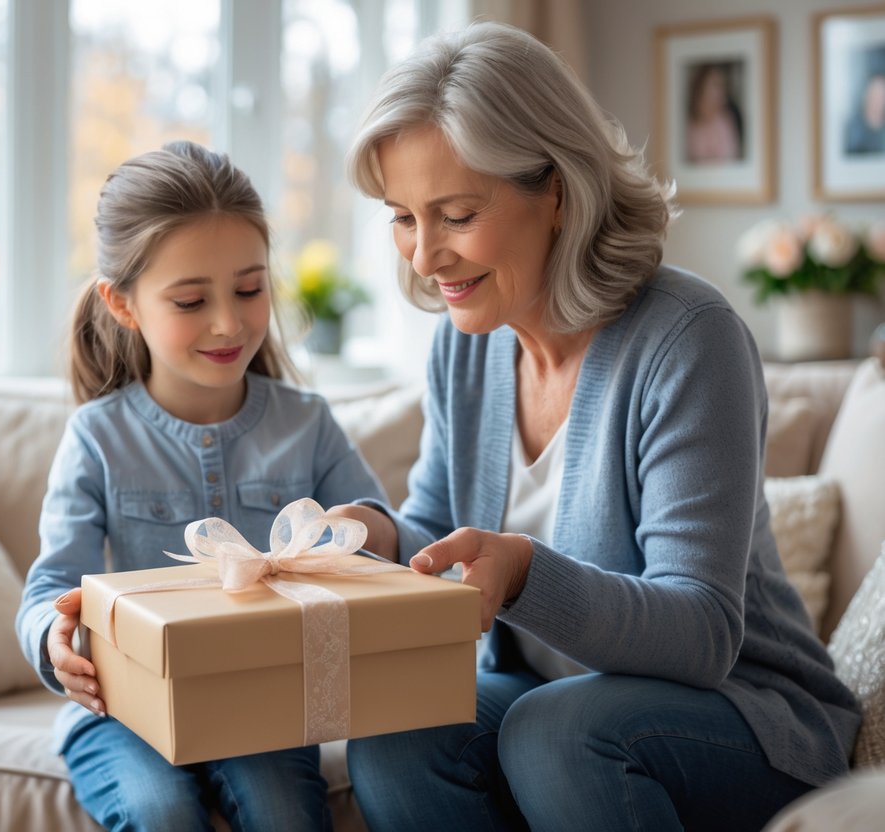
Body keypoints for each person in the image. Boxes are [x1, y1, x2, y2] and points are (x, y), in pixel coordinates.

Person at [328, 22, 861, 831]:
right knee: (395, 727)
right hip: (553, 702)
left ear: (557, 192)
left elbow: (702, 631)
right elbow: (439, 529)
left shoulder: (688, 338)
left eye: (456, 214)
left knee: (553, 731)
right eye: (403, 217)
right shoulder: (465, 345)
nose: (423, 257)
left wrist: (523, 574)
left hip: (742, 717)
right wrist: (379, 537)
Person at [15, 140, 387, 832]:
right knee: (159, 813)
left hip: (263, 708)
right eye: (190, 299)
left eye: (249, 289)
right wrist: (53, 642)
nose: (228, 322)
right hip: (119, 712)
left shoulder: (305, 423)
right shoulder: (97, 437)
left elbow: (380, 532)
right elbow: (47, 591)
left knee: (285, 814)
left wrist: (353, 532)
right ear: (122, 304)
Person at [685, 62, 744, 163]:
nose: (720, 92)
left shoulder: (726, 122)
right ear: (702, 86)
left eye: (722, 86)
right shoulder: (688, 124)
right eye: (716, 85)